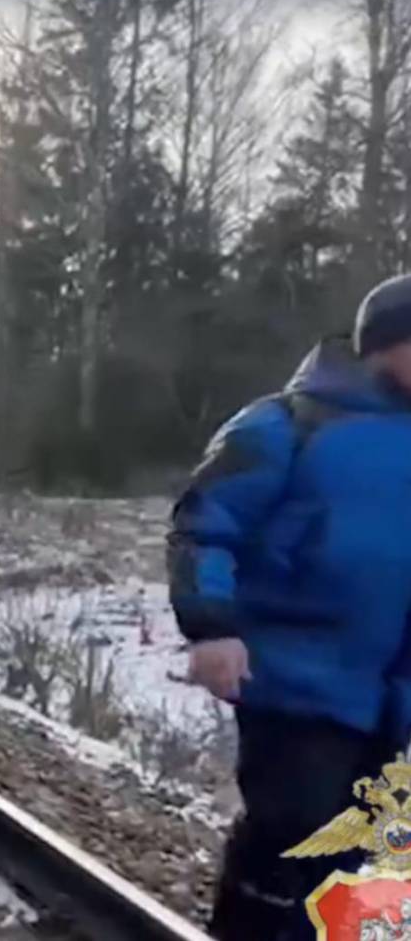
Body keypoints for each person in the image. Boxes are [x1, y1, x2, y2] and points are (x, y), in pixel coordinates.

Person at [169, 274, 411, 941]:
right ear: (387, 343)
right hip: (296, 675)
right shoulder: (287, 423)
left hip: (394, 695)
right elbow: (202, 524)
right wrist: (211, 627)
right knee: (294, 831)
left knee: (367, 851)